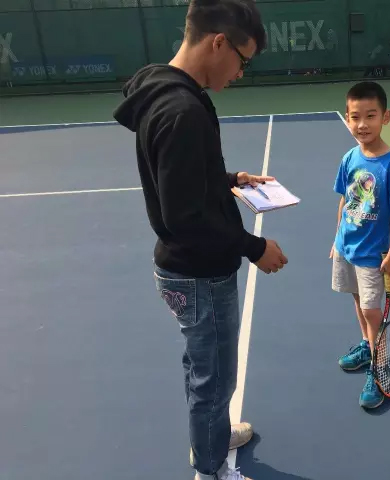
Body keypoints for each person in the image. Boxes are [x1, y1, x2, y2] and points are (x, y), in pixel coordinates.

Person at [112, 1, 288, 479]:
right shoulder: (182, 110)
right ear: (218, 42)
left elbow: (182, 178)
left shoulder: (162, 88)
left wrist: (230, 179)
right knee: (215, 379)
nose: (240, 73)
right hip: (199, 275)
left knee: (203, 367)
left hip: (183, 270)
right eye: (242, 60)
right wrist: (255, 248)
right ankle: (212, 468)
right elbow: (185, 217)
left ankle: (212, 435)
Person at [330, 81, 390, 409]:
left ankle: (377, 368)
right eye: (355, 117)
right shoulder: (349, 157)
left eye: (370, 116)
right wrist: (336, 239)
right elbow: (345, 200)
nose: (362, 124)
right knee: (357, 299)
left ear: (385, 117)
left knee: (371, 309)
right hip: (347, 248)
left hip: (372, 254)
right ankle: (369, 347)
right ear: (347, 119)